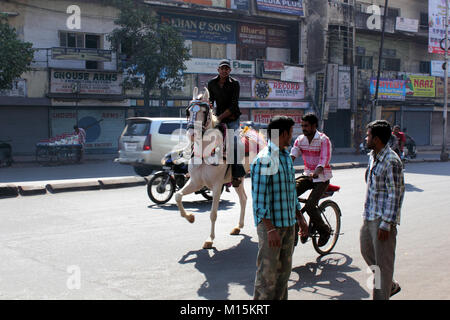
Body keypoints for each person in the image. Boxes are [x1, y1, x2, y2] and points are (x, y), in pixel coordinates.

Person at [251, 116, 308, 300]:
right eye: (291, 133)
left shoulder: (285, 157)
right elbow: (260, 200)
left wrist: (300, 218)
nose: (292, 137)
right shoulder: (266, 159)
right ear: (283, 134)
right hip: (272, 229)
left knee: (283, 278)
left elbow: (291, 192)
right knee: (267, 280)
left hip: (288, 225)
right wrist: (270, 229)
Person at [360, 120, 405, 300]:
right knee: (366, 251)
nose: (366, 138)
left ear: (377, 139)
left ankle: (383, 291)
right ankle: (389, 285)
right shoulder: (373, 155)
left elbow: (396, 195)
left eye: (368, 135)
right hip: (369, 215)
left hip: (382, 220)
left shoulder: (391, 161)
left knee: (382, 267)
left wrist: (386, 223)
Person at [290, 113, 332, 247]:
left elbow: (324, 159)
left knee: (309, 206)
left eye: (306, 126)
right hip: (307, 176)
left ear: (314, 126)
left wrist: (316, 172)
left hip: (322, 178)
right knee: (289, 194)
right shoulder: (300, 139)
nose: (304, 128)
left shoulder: (323, 140)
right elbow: (292, 155)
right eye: (302, 126)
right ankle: (301, 224)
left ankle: (324, 231)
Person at [208, 59, 245, 187]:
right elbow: (211, 102)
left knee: (233, 141)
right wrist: (210, 111)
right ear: (218, 70)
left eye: (227, 68)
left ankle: (236, 173)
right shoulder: (211, 83)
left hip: (232, 117)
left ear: (230, 70)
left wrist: (219, 118)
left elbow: (234, 105)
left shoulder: (235, 84)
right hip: (218, 117)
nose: (224, 70)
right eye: (222, 68)